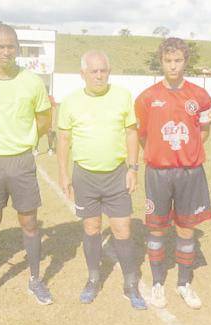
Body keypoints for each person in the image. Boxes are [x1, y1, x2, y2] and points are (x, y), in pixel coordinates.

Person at [0, 24, 53, 306]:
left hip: (21, 160)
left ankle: (35, 280)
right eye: (0, 46)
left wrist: (24, 141)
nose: (6, 51)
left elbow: (44, 118)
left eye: (10, 46)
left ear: (17, 48)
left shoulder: (32, 81)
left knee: (29, 222)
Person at [57, 50, 146, 310]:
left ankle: (130, 283)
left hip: (117, 174)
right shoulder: (70, 101)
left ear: (109, 71)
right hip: (85, 175)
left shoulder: (122, 96)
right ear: (82, 73)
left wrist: (133, 168)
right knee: (92, 228)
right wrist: (63, 173)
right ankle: (93, 278)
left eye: (103, 70)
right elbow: (64, 139)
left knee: (122, 229)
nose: (99, 75)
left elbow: (131, 133)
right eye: (93, 71)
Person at [135, 37, 211, 309]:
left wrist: (186, 151)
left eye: (178, 60)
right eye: (168, 60)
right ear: (161, 61)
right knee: (156, 229)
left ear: (185, 61)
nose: (173, 66)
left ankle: (183, 284)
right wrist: (161, 153)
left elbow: (203, 131)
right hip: (158, 172)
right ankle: (157, 284)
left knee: (186, 230)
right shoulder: (147, 97)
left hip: (190, 172)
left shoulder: (200, 97)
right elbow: (143, 135)